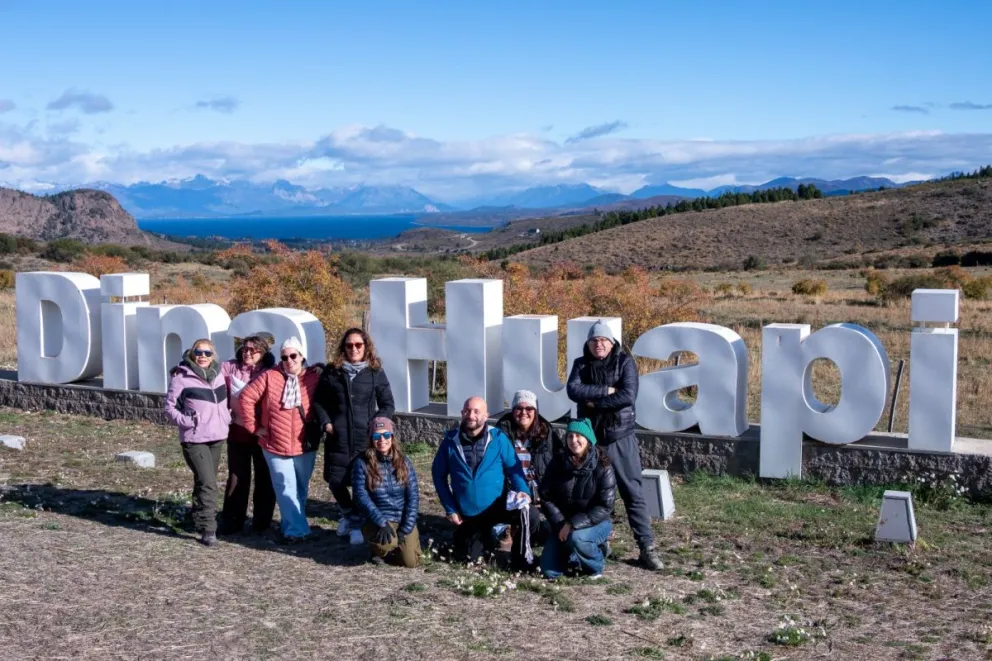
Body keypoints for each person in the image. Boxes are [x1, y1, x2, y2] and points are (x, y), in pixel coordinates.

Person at [566, 320, 664, 571]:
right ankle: (597, 542)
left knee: (633, 493)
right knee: (590, 496)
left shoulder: (625, 363)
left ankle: (646, 547)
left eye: (603, 340)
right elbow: (574, 390)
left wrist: (595, 403)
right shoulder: (581, 364)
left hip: (621, 438)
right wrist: (607, 390)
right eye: (594, 340)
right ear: (588, 344)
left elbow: (627, 396)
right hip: (591, 441)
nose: (599, 344)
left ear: (612, 343)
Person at [432, 396, 538, 570]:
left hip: (496, 505)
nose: (471, 415)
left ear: (486, 415)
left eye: (476, 411)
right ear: (461, 413)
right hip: (469, 513)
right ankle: (488, 537)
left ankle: (521, 560)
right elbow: (438, 476)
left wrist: (523, 491)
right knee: (469, 558)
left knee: (530, 514)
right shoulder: (450, 442)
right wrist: (450, 508)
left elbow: (514, 469)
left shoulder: (498, 439)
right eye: (467, 410)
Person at [313, 328, 395, 546]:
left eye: (358, 345)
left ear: (366, 346)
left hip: (364, 439)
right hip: (337, 437)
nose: (354, 349)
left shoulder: (375, 371)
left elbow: (387, 404)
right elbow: (319, 401)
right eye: (349, 345)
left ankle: (358, 524)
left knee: (362, 484)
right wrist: (326, 422)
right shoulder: (333, 371)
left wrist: (376, 425)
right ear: (343, 348)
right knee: (335, 480)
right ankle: (349, 516)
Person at [239, 337, 322, 543]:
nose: (289, 360)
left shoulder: (314, 377)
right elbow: (246, 397)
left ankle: (289, 525)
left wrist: (323, 368)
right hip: (275, 444)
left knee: (300, 489)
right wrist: (253, 427)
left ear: (302, 356)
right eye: (284, 357)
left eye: (293, 356)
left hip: (305, 444)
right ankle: (298, 531)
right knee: (285, 487)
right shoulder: (270, 376)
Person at [163, 339, 231, 547]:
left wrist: (227, 416)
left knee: (203, 481)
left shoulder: (219, 374)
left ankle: (197, 518)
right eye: (198, 352)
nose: (203, 356)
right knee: (209, 483)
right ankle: (208, 528)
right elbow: (169, 408)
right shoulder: (181, 377)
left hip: (217, 436)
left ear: (213, 356)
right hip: (194, 438)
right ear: (192, 354)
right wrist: (185, 421)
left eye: (207, 353)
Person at [539, 418, 616, 579]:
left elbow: (605, 506)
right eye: (570, 436)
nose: (574, 440)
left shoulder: (603, 467)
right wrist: (561, 523)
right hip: (563, 522)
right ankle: (576, 553)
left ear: (588, 439)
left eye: (578, 436)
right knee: (549, 571)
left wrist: (572, 524)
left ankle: (596, 563)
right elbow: (546, 496)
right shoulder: (558, 462)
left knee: (577, 538)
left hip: (596, 522)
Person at [218, 335, 276, 535]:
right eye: (245, 349)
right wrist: (183, 367)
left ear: (263, 353)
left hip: (263, 433)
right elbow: (207, 372)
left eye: (253, 350)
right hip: (238, 430)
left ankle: (262, 522)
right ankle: (233, 520)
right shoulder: (230, 367)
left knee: (264, 477)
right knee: (237, 476)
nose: (247, 353)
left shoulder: (271, 371)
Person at [494, 389, 562, 545]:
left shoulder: (547, 433)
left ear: (535, 412)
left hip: (540, 492)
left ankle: (521, 532)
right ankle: (509, 530)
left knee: (552, 529)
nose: (524, 412)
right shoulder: (500, 434)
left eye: (529, 408)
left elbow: (559, 463)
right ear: (512, 411)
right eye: (519, 408)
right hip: (511, 491)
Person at [351, 417, 421, 568]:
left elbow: (413, 497)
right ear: (371, 439)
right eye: (376, 436)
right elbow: (360, 496)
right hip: (377, 519)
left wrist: (406, 527)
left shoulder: (404, 461)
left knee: (411, 562)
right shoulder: (361, 463)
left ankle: (395, 548)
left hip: (401, 518)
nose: (382, 440)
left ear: (392, 437)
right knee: (387, 544)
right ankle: (377, 551)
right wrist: (381, 522)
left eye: (386, 435)